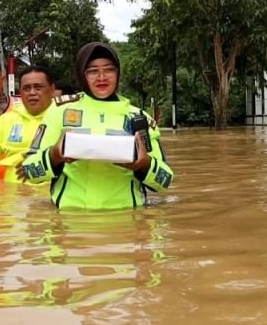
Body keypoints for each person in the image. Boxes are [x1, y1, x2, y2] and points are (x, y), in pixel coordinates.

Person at [20, 42, 174, 210]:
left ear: (118, 73)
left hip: (127, 222)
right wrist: (54, 156)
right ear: (81, 74)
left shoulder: (139, 118)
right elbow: (29, 171)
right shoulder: (59, 112)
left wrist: (144, 165)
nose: (102, 77)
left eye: (109, 69)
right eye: (93, 71)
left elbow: (164, 181)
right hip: (69, 222)